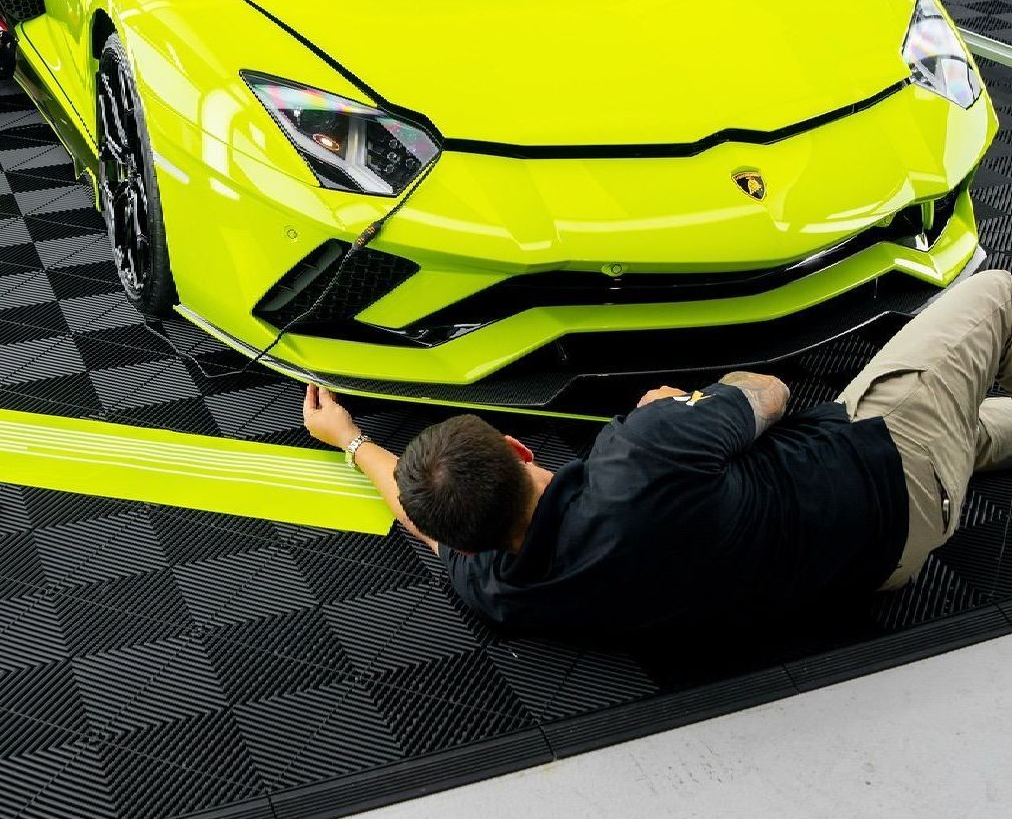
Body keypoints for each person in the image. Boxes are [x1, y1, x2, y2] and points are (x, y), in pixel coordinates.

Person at [302, 269, 1012, 639]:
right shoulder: (640, 456)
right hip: (882, 471)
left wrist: (351, 440)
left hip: (879, 566)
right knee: (993, 297)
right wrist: (676, 403)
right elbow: (768, 391)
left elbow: (419, 512)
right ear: (518, 445)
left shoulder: (496, 588)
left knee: (967, 430)